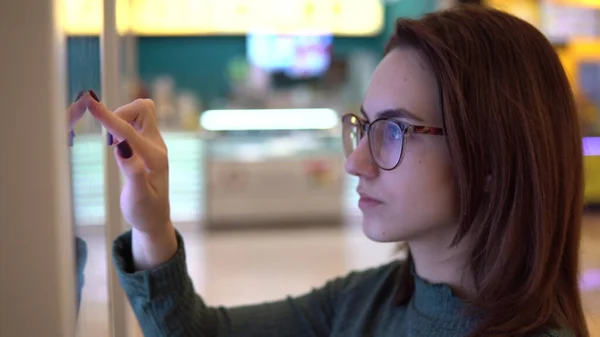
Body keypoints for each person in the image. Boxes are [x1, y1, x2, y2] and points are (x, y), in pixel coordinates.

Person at [76, 4, 588, 337]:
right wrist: (150, 222)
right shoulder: (365, 303)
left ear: (492, 159)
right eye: (362, 126)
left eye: (394, 130)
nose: (354, 161)